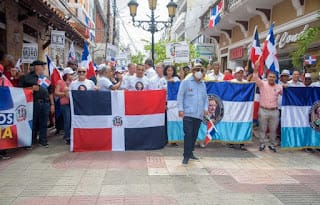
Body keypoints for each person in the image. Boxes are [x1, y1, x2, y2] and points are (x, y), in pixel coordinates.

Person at [177, 62, 208, 164]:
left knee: (194, 134)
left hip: (198, 114)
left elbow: (205, 98)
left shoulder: (203, 84)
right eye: (197, 70)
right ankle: (186, 156)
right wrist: (180, 109)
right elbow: (180, 96)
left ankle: (191, 152)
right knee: (188, 134)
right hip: (188, 113)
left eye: (201, 70)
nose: (199, 72)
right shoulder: (186, 82)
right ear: (193, 71)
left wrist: (205, 108)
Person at [19, 60, 55, 148]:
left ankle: (43, 141)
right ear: (37, 67)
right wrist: (31, 88)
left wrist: (52, 104)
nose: (44, 67)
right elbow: (20, 90)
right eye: (42, 65)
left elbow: (50, 92)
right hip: (33, 103)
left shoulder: (46, 78)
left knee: (43, 123)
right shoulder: (27, 77)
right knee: (33, 122)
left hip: (45, 103)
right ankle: (30, 141)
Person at [252, 65, 282, 153]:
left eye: (273, 77)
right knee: (262, 128)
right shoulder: (262, 84)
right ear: (267, 77)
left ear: (276, 78)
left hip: (274, 111)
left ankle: (272, 144)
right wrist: (256, 68)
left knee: (273, 129)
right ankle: (262, 143)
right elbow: (255, 77)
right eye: (270, 76)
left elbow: (287, 95)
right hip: (263, 110)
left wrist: (287, 87)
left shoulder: (279, 87)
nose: (271, 78)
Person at [229, 66, 248, 150]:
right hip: (233, 107)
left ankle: (241, 142)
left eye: (241, 72)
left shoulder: (247, 83)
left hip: (243, 108)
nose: (240, 74)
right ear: (235, 74)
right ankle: (231, 141)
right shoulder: (231, 82)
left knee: (242, 124)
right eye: (238, 73)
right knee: (232, 124)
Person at [54, 67, 74, 145]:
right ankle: (67, 137)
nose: (72, 75)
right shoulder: (60, 82)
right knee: (67, 120)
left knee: (72, 120)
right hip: (65, 104)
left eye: (72, 74)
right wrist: (65, 94)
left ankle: (71, 135)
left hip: (72, 104)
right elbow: (56, 93)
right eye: (71, 74)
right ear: (66, 75)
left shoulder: (74, 82)